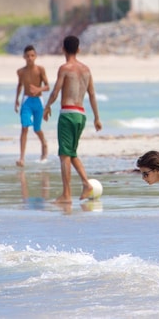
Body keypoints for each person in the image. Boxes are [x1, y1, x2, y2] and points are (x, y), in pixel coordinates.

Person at [43, 35, 102, 203]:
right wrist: (97, 118)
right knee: (71, 153)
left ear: (63, 49)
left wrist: (47, 107)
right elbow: (91, 94)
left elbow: (55, 91)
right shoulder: (86, 69)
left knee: (64, 155)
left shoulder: (65, 68)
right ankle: (86, 184)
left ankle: (66, 194)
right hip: (81, 115)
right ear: (79, 49)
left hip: (68, 114)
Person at [14, 44, 50, 167]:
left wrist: (38, 89)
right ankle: (22, 158)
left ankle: (44, 144)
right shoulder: (20, 72)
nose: (30, 58)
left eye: (32, 55)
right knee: (24, 127)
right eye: (28, 56)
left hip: (38, 101)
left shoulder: (40, 69)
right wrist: (16, 100)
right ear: (24, 57)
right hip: (26, 101)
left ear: (36, 56)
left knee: (37, 128)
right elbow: (19, 85)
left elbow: (47, 86)